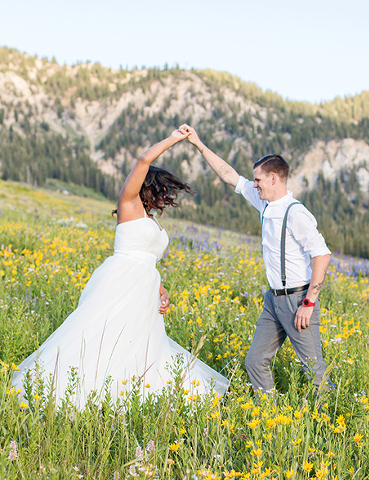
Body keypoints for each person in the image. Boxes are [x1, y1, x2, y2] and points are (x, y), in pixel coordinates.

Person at [12, 127, 229, 409]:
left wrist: (161, 292)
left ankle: (130, 397)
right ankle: (84, 396)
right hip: (119, 282)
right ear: (147, 187)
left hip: (144, 289)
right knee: (103, 338)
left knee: (138, 344)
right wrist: (175, 139)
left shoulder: (151, 219)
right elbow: (142, 161)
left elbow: (148, 259)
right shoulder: (128, 204)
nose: (165, 197)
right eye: (161, 190)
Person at [181, 125, 332, 398]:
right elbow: (230, 176)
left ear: (273, 178)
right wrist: (198, 144)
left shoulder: (296, 212)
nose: (254, 184)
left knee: (315, 370)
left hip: (298, 299)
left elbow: (322, 255)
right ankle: (269, 415)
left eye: (258, 180)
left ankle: (330, 420)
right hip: (273, 301)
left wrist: (308, 304)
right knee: (254, 361)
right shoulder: (263, 203)